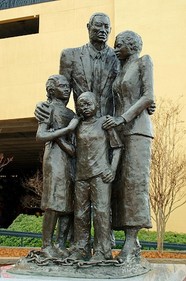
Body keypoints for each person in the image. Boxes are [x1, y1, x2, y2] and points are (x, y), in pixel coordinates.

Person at [103, 31, 154, 262]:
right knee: (119, 185)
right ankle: (122, 238)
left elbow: (148, 96)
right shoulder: (119, 69)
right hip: (119, 131)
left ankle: (132, 242)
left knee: (134, 184)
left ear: (131, 45)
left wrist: (123, 118)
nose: (115, 48)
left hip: (138, 130)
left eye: (119, 44)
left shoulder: (144, 62)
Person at [65, 92, 122, 261]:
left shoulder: (104, 122)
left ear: (96, 104)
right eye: (81, 104)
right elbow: (74, 151)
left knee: (101, 212)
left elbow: (117, 147)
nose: (85, 107)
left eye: (88, 103)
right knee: (80, 214)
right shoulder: (78, 126)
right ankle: (81, 249)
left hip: (101, 175)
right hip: (81, 176)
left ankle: (102, 251)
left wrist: (112, 169)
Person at [36, 74, 75, 258]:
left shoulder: (72, 114)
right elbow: (41, 135)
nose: (67, 89)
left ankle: (60, 244)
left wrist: (61, 135)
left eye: (68, 86)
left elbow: (75, 144)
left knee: (68, 203)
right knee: (53, 203)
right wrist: (65, 131)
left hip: (70, 160)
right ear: (52, 90)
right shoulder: (48, 109)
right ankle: (46, 245)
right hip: (54, 159)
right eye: (62, 86)